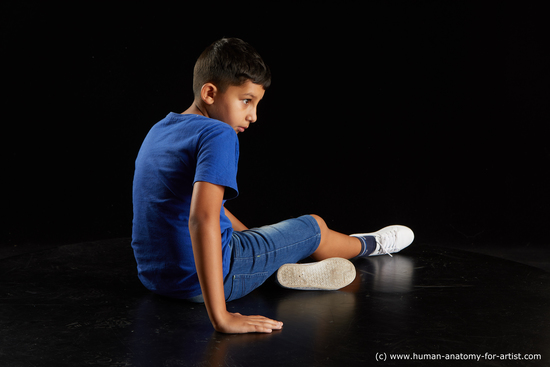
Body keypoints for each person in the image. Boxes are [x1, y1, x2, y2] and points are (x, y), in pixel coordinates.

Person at [131, 38, 414, 334]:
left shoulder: (160, 129)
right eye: (246, 101)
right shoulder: (218, 134)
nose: (253, 115)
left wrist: (253, 237)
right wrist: (222, 317)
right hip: (204, 283)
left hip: (156, 279)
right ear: (210, 93)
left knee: (259, 237)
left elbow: (182, 204)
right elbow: (201, 219)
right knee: (313, 227)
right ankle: (370, 244)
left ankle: (278, 267)